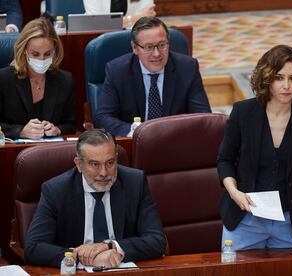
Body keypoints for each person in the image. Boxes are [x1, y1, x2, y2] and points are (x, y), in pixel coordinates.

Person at [217, 45, 292, 250]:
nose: (287, 86)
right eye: (279, 78)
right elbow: (225, 160)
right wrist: (234, 192)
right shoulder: (243, 113)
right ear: (267, 79)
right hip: (246, 218)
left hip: (290, 222)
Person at [24, 128, 166, 268]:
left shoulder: (135, 182)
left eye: (110, 163)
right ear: (79, 164)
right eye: (94, 164)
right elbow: (33, 248)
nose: (104, 173)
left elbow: (157, 240)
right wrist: (82, 257)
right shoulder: (56, 190)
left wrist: (110, 246)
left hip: (122, 269)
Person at [95, 16, 211, 136]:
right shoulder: (117, 71)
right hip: (134, 144)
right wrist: (135, 132)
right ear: (135, 48)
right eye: (148, 47)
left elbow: (204, 116)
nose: (156, 54)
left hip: (175, 142)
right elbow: (103, 118)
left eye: (162, 45)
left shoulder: (187, 68)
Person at [0, 17, 76, 139]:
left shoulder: (65, 80)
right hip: (12, 152)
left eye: (47, 54)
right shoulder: (3, 79)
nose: (42, 60)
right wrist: (20, 131)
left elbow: (71, 124)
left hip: (51, 152)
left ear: (54, 51)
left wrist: (57, 129)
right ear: (24, 50)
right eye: (35, 54)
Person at [83, 0, 156, 28]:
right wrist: (134, 18)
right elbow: (96, 24)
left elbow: (147, 20)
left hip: (133, 37)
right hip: (98, 38)